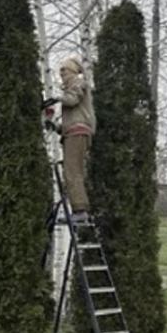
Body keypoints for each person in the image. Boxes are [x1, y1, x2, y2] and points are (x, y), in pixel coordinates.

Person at [58, 56, 96, 224]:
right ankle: (79, 208)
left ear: (72, 71)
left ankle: (79, 210)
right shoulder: (73, 85)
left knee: (72, 171)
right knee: (74, 171)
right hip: (75, 132)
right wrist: (56, 126)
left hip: (77, 133)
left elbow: (72, 99)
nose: (62, 75)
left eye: (64, 71)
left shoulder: (78, 83)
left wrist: (56, 98)